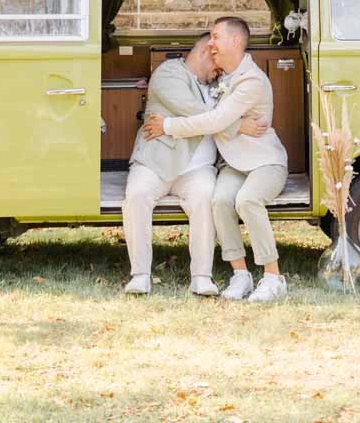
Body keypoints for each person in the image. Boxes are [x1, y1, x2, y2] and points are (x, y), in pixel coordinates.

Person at [143, 16, 289, 302]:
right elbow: (214, 116)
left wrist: (167, 126)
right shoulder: (224, 76)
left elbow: (214, 120)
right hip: (234, 164)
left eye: (215, 36)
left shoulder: (251, 81)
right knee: (220, 201)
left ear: (235, 40)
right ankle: (240, 274)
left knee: (247, 200)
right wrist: (238, 126)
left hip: (264, 162)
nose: (210, 43)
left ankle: (274, 278)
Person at [122, 33, 265, 296]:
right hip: (156, 160)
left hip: (198, 169)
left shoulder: (219, 82)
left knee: (205, 197)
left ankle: (201, 277)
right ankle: (140, 275)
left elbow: (216, 115)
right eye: (215, 62)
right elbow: (195, 111)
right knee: (137, 195)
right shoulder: (169, 73)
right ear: (203, 52)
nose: (219, 70)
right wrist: (237, 125)